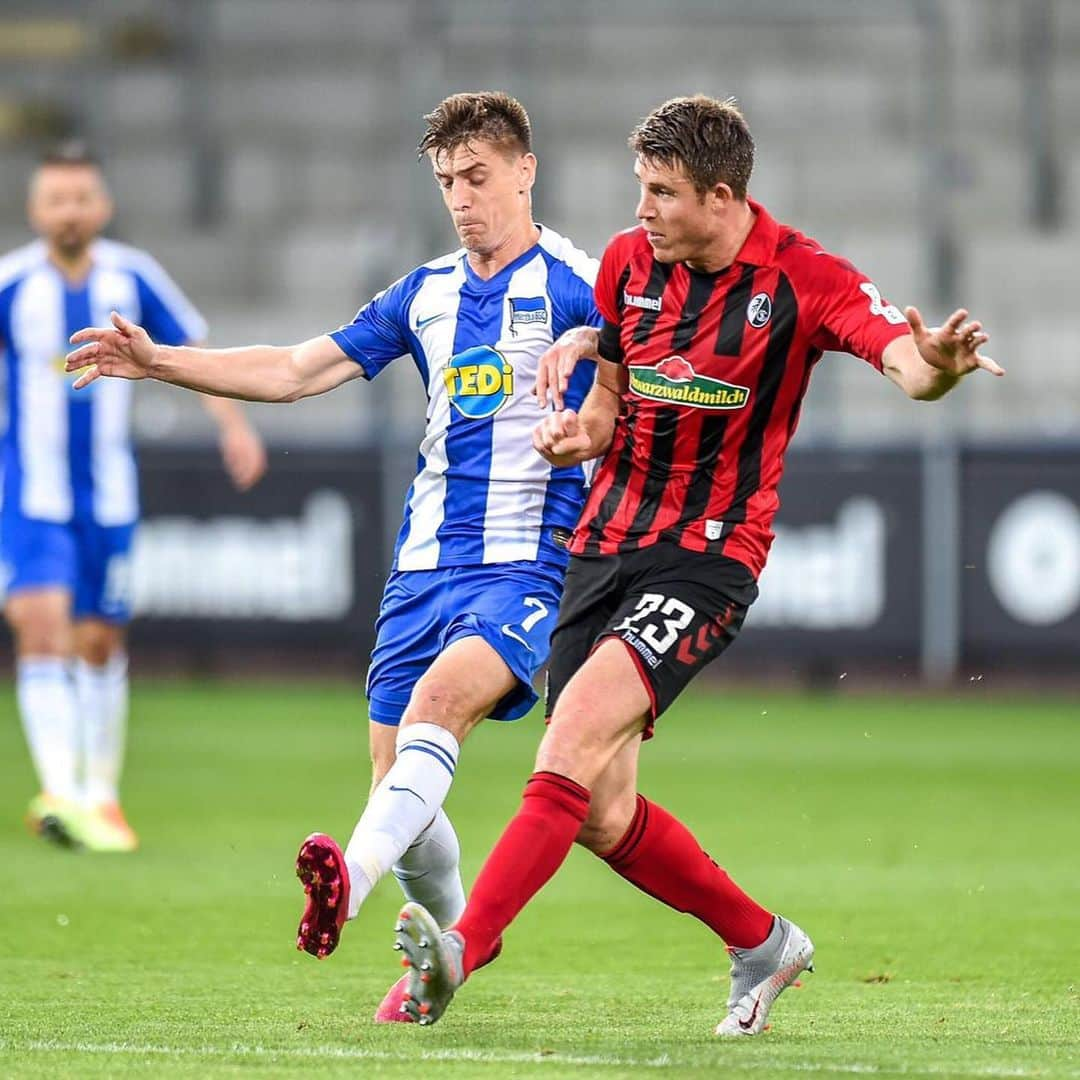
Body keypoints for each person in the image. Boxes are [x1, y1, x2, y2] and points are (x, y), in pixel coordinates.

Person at [390, 94, 1004, 1034]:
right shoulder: (634, 265)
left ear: (722, 198)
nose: (639, 211)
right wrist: (575, 433)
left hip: (708, 558)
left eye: (661, 192)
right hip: (601, 549)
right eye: (640, 187)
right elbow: (609, 402)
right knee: (596, 809)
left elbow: (906, 363)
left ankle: (464, 948)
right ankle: (762, 941)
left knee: (566, 745)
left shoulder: (803, 278)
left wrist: (942, 366)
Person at [64, 93, 601, 1018]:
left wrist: (590, 439)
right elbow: (296, 369)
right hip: (421, 570)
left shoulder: (583, 286)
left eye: (477, 177)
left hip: (529, 566)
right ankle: (450, 952)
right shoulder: (424, 292)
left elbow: (640, 395)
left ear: (525, 170)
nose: (462, 199)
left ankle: (347, 883)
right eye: (445, 183)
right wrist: (160, 363)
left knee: (437, 717)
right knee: (406, 793)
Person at [1, 142, 267, 854]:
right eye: (56, 198)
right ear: (35, 208)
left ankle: (101, 796)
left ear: (102, 205)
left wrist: (233, 426)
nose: (69, 211)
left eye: (80, 198)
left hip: (108, 494)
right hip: (31, 491)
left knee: (97, 642)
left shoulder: (132, 275)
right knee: (40, 623)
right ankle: (60, 792)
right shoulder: (12, 285)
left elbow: (190, 349)